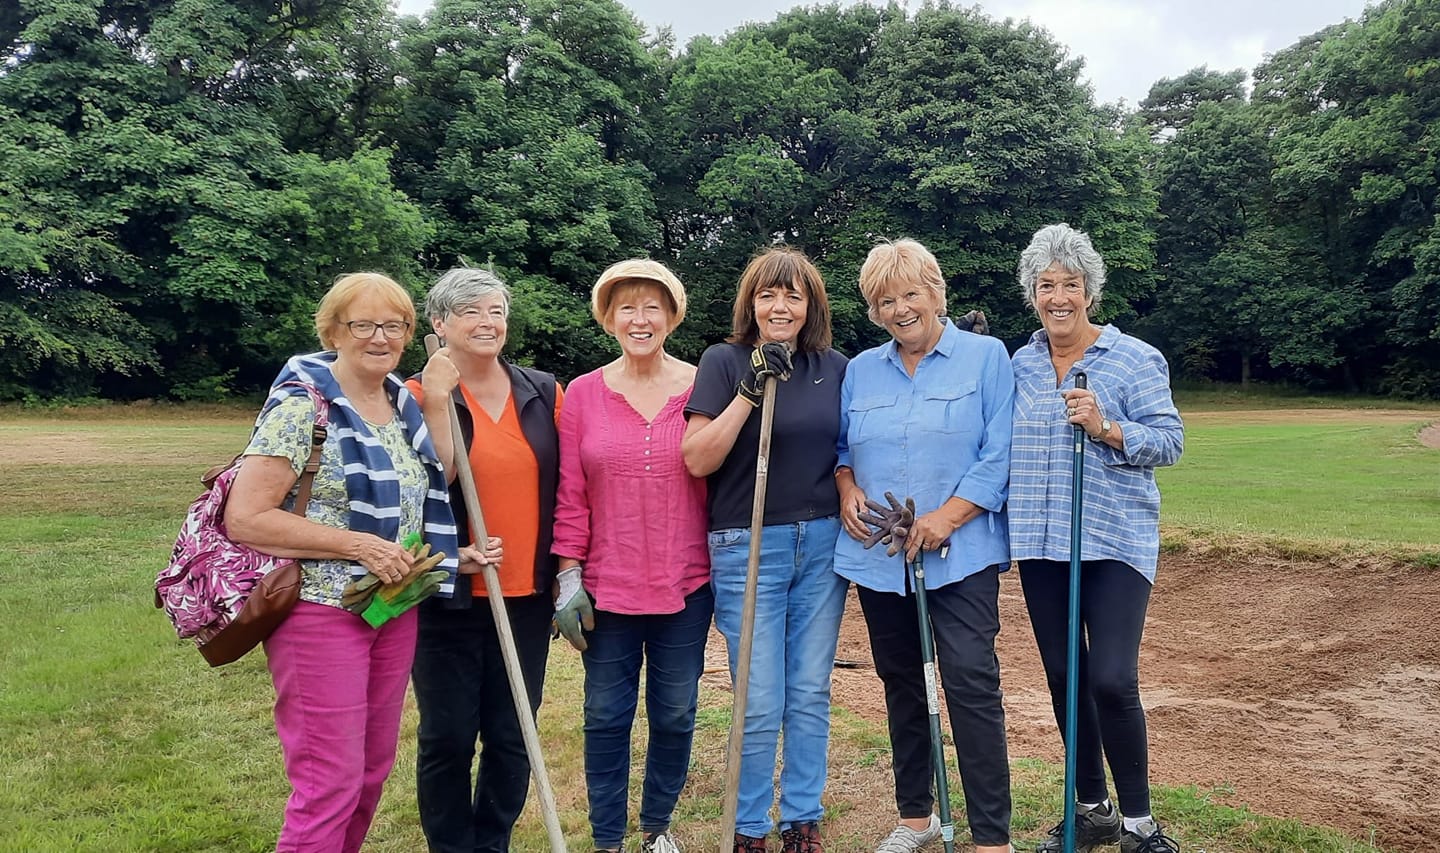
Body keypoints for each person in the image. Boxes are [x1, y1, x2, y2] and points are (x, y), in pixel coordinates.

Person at [224, 272, 490, 852]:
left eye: (393, 325)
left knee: (369, 774)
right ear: (333, 331)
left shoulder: (398, 402)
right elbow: (245, 517)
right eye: (362, 324)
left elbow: (432, 480)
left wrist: (444, 556)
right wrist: (357, 545)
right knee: (329, 782)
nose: (380, 337)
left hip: (390, 606)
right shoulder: (303, 406)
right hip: (320, 611)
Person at [832, 239, 1015, 853]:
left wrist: (949, 516)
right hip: (881, 558)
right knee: (902, 681)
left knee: (968, 680)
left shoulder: (987, 357)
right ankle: (917, 817)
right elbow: (841, 452)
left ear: (936, 292)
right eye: (886, 300)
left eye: (911, 294)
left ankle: (991, 836)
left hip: (960, 554)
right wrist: (847, 487)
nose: (900, 309)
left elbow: (1000, 451)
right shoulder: (859, 370)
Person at [1009, 224, 1185, 853]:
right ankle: (1092, 808)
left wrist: (1107, 427)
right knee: (1064, 674)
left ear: (1090, 291)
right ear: (1033, 293)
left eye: (1071, 284)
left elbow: (1170, 441)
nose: (1059, 297)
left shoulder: (1134, 357)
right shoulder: (1020, 364)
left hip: (1114, 540)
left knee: (1110, 677)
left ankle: (1140, 822)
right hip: (1040, 540)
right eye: (1047, 285)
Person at [681, 247, 849, 853]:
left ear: (811, 306)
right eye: (768, 295)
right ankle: (749, 825)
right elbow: (697, 459)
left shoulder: (836, 367)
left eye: (793, 296)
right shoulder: (724, 362)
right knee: (759, 695)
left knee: (808, 688)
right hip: (747, 541)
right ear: (750, 303)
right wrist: (751, 390)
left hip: (824, 542)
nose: (780, 306)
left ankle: (801, 817)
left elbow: (850, 454)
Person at [550, 259, 712, 853]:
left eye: (652, 307)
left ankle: (657, 828)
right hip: (606, 589)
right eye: (627, 308)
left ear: (671, 316)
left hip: (685, 584)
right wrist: (567, 574)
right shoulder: (584, 394)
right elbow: (571, 491)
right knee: (605, 717)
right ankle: (608, 838)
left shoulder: (703, 386)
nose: (639, 319)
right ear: (609, 318)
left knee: (675, 713)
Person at [405, 267, 563, 853]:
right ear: (439, 324)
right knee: (448, 735)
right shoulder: (415, 395)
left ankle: (491, 841)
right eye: (469, 312)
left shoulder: (541, 390)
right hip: (449, 595)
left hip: (524, 592)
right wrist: (451, 555)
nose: (486, 322)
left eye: (495, 311)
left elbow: (568, 486)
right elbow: (418, 489)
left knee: (512, 732)